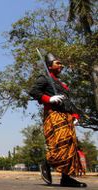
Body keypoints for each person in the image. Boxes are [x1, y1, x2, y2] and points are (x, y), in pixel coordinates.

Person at [29, 52, 87, 187]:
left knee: (70, 146)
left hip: (67, 117)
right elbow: (33, 91)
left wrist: (75, 116)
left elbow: (68, 102)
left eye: (61, 63)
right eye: (58, 63)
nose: (61, 65)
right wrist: (48, 99)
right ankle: (47, 163)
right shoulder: (44, 78)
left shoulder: (62, 84)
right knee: (59, 145)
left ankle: (66, 178)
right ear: (50, 66)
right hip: (54, 115)